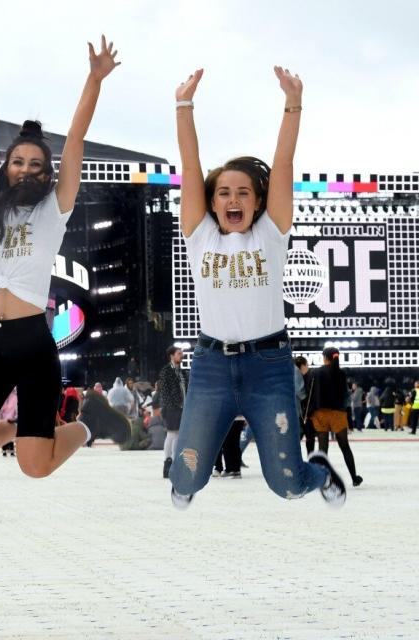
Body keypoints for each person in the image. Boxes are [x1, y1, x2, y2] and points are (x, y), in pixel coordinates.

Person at [0, 30, 127, 478]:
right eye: (18, 162)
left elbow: (78, 140)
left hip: (32, 345)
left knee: (35, 467)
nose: (26, 169)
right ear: (5, 168)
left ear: (47, 174)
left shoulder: (53, 209)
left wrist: (95, 80)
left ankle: (88, 426)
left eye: (36, 165)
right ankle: (13, 429)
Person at [168, 65, 345, 509]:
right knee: (185, 478)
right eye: (224, 192)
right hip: (210, 366)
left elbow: (283, 163)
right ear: (211, 203)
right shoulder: (199, 234)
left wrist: (293, 103)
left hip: (268, 365)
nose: (233, 200)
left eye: (244, 192)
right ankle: (187, 483)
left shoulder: (270, 235)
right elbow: (190, 165)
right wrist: (183, 106)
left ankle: (320, 471)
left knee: (286, 484)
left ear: (259, 202)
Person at [308, 347, 362, 487]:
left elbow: (310, 394)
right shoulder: (341, 373)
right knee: (345, 447)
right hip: (338, 414)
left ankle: (323, 479)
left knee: (322, 448)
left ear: (325, 357)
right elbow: (345, 396)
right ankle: (354, 478)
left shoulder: (316, 372)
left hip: (320, 413)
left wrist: (309, 413)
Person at [157, 346, 187, 478]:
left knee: (178, 435)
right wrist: (173, 406)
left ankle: (175, 461)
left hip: (183, 408)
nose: (182, 355)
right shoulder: (165, 371)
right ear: (172, 355)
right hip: (172, 408)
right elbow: (164, 392)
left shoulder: (183, 372)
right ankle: (168, 461)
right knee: (171, 434)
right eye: (179, 353)